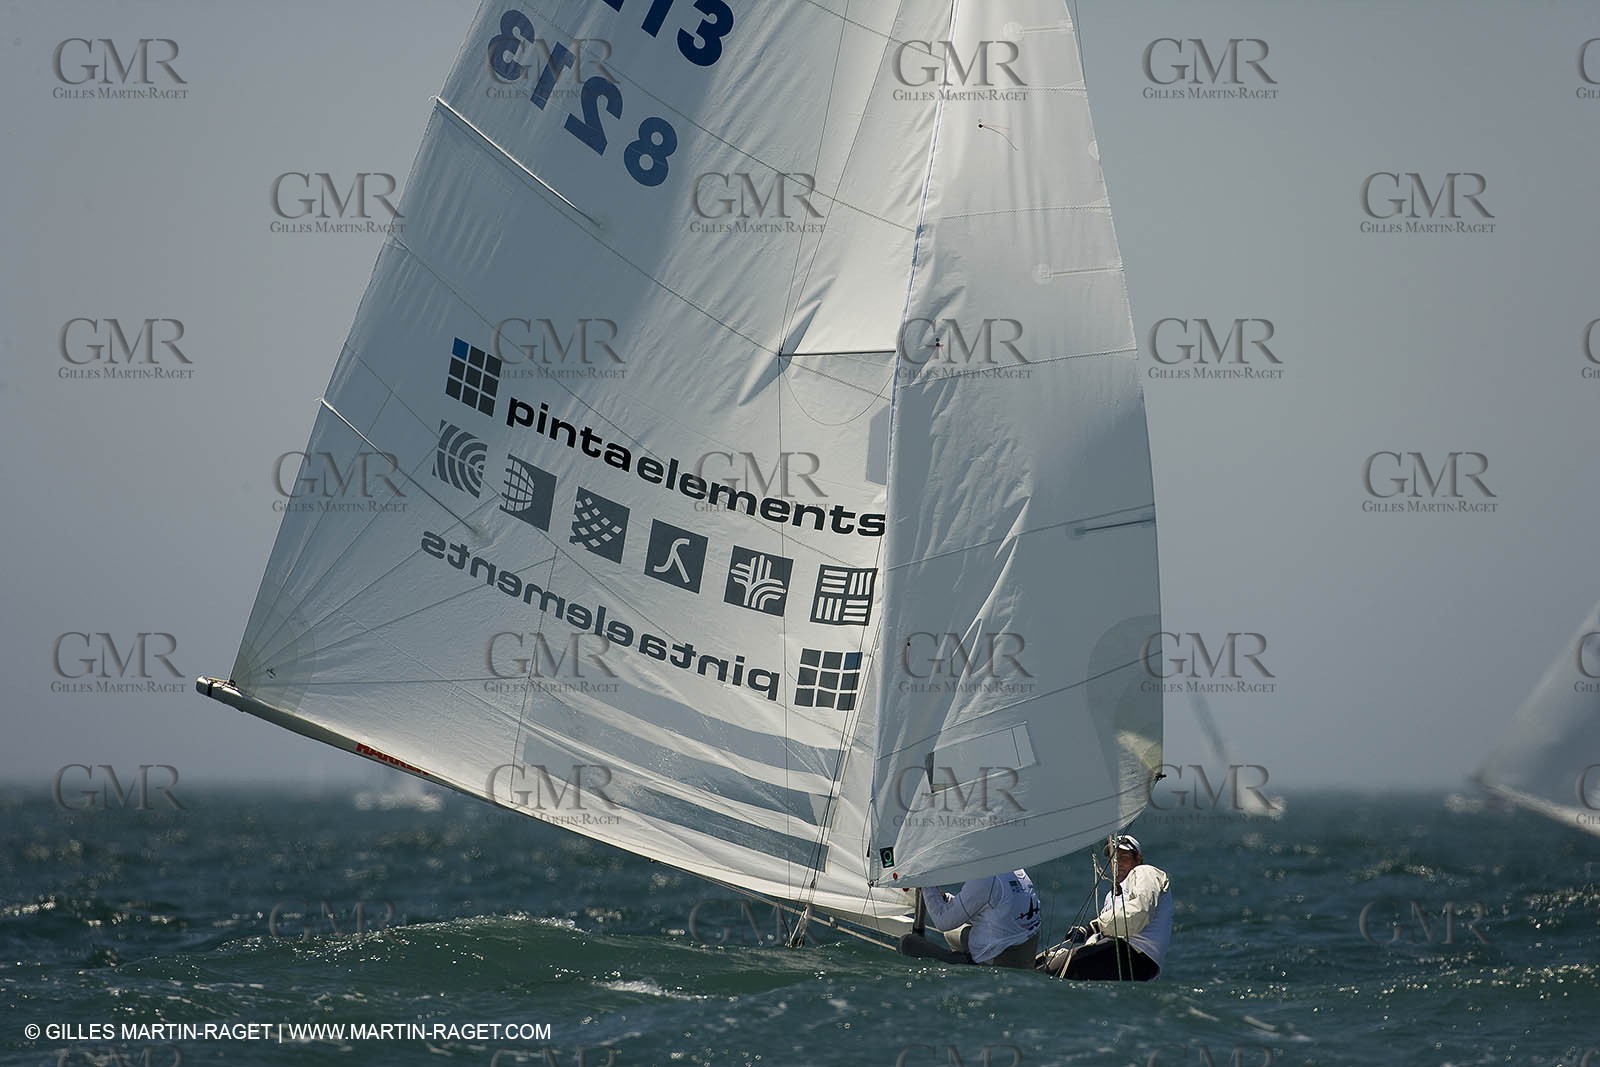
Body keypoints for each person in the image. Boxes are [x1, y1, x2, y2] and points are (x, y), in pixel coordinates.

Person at [1036, 834, 1172, 981]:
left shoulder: (1146, 872)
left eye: (1124, 857)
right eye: (1114, 859)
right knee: (1044, 964)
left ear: (1138, 858)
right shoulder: (1112, 895)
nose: (1118, 863)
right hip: (1121, 956)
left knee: (1051, 970)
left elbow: (1138, 914)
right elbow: (1107, 932)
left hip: (1135, 956)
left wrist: (1092, 927)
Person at [897, 869, 1042, 968]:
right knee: (951, 934)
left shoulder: (986, 879)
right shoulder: (1016, 870)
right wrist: (944, 899)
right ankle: (959, 959)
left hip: (999, 961)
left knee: (907, 943)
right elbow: (985, 907)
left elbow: (942, 921)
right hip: (1024, 955)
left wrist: (924, 880)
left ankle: (963, 963)